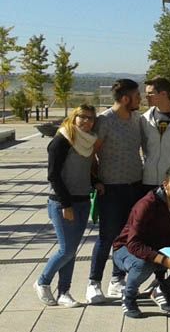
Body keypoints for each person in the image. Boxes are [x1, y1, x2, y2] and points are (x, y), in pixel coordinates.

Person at [112, 165, 170, 319]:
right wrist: (164, 260)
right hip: (125, 249)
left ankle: (162, 289)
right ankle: (128, 297)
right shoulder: (147, 204)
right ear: (165, 184)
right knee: (144, 264)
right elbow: (134, 243)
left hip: (160, 248)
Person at [87, 78, 145, 305]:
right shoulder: (105, 121)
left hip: (135, 186)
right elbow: (92, 153)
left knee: (126, 237)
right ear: (125, 98)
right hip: (110, 189)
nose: (140, 99)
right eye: (137, 95)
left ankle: (116, 280)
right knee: (106, 237)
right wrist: (95, 180)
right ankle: (93, 283)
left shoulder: (136, 119)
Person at [36, 105, 100, 308]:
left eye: (91, 118)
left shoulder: (88, 141)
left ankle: (64, 292)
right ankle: (42, 281)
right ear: (74, 117)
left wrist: (94, 183)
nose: (86, 121)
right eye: (82, 117)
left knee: (71, 250)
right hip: (62, 202)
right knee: (66, 249)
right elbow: (53, 175)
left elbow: (83, 169)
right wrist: (66, 203)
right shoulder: (61, 140)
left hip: (82, 200)